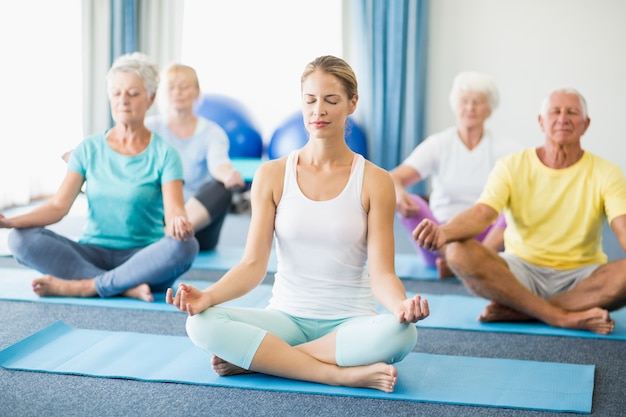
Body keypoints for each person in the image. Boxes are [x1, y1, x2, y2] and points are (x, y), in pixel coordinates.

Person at [167, 55, 430, 392]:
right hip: (286, 318)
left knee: (402, 333)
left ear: (352, 103)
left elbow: (383, 274)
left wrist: (401, 307)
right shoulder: (272, 174)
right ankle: (339, 374)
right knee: (200, 325)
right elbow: (252, 265)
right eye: (310, 100)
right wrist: (208, 297)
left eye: (331, 100)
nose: (318, 110)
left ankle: (264, 360)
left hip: (350, 322)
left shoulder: (374, 181)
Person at [413, 88, 626, 334]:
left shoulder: (607, 172)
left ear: (585, 124)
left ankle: (521, 310)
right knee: (458, 250)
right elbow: (483, 213)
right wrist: (443, 232)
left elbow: (621, 226)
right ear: (541, 121)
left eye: (572, 112)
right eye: (555, 111)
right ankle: (559, 316)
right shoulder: (512, 164)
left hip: (581, 278)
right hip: (519, 272)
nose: (563, 118)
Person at [0, 52, 199, 301]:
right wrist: (11, 222)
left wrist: (179, 224)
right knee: (20, 238)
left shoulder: (165, 154)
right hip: (91, 253)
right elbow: (57, 207)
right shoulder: (88, 148)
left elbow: (174, 213)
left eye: (133, 94)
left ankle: (84, 286)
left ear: (151, 99)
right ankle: (121, 287)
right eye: (116, 93)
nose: (123, 101)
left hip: (142, 259)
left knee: (186, 246)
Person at [390, 72, 521, 278]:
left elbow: (529, 184)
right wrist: (399, 195)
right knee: (412, 202)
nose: (470, 107)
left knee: (516, 206)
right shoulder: (438, 144)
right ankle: (464, 263)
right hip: (439, 239)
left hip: (487, 239)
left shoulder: (506, 148)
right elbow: (393, 178)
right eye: (464, 101)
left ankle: (464, 263)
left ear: (489, 109)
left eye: (477, 102)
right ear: (455, 105)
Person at [145, 64, 246, 251]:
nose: (178, 92)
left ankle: (165, 239)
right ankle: (165, 238)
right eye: (172, 87)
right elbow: (117, 144)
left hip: (198, 231)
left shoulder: (212, 132)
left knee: (221, 187)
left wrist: (228, 176)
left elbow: (219, 165)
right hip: (159, 218)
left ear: (197, 92)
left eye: (184, 86)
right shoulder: (150, 128)